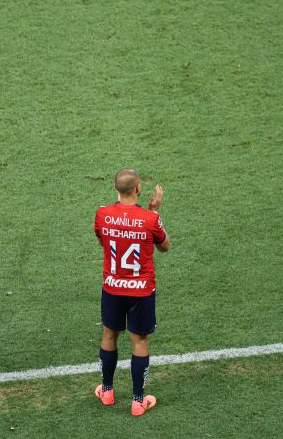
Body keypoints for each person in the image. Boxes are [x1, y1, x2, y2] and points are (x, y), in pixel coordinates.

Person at [93, 168, 171, 417]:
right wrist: (154, 211)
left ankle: (107, 391)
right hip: (141, 290)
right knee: (139, 340)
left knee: (109, 333)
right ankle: (138, 401)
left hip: (113, 287)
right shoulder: (150, 219)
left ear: (116, 189)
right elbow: (165, 247)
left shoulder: (103, 214)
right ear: (138, 189)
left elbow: (102, 241)